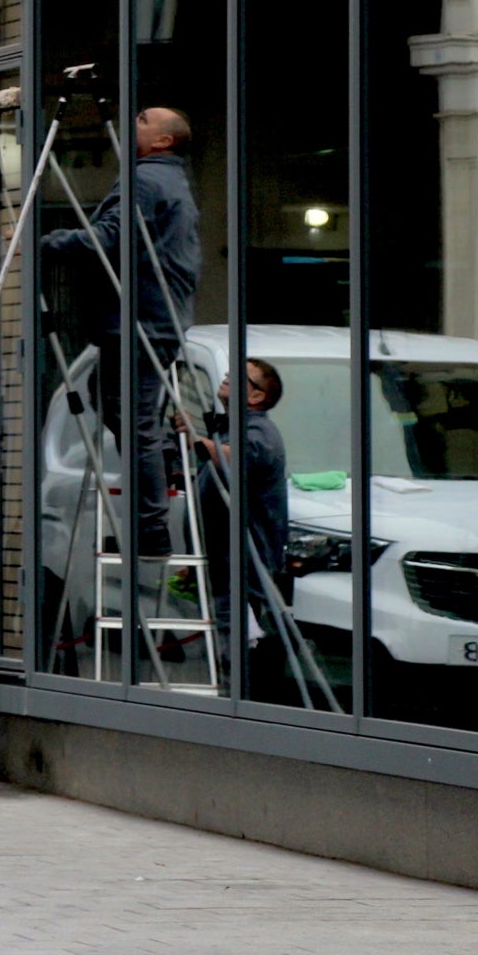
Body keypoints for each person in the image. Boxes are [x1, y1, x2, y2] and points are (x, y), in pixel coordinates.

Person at [40, 106, 199, 558]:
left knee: (133, 422)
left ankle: (150, 531)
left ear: (165, 140)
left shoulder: (146, 181)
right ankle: (155, 503)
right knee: (124, 413)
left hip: (142, 322)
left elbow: (107, 238)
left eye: (145, 119)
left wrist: (44, 243)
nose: (134, 122)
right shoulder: (167, 180)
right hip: (151, 320)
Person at [178, 358, 294, 696]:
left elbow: (235, 457)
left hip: (242, 570)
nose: (228, 376)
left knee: (234, 649)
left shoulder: (260, 432)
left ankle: (234, 715)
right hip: (223, 563)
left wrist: (197, 440)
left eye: (240, 376)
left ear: (257, 397)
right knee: (224, 645)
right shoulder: (232, 427)